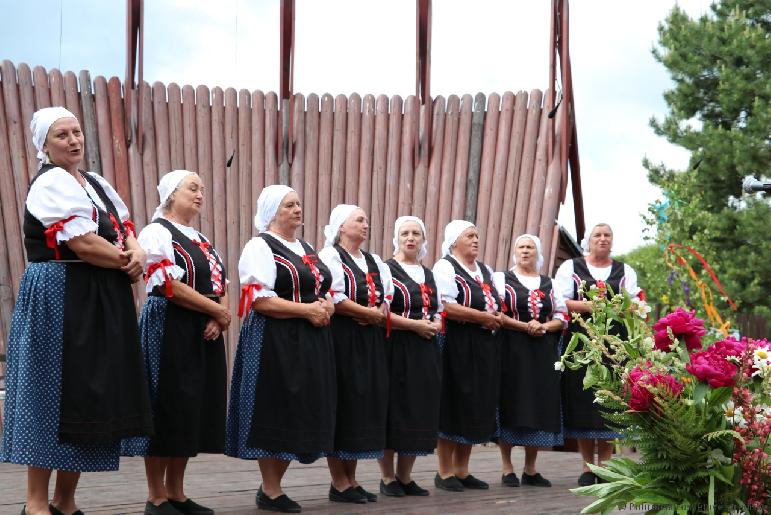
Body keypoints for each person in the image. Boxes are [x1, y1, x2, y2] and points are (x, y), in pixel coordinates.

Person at [0, 107, 153, 515]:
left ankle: (65, 501)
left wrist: (136, 252)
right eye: (62, 135)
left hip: (100, 293)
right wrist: (128, 262)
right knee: (49, 391)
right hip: (61, 292)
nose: (73, 140)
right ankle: (35, 504)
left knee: (90, 392)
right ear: (45, 146)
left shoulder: (95, 183)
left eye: (77, 132)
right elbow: (83, 243)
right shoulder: (51, 182)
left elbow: (124, 229)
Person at [121, 170, 231, 515]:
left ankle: (177, 493)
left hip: (201, 328)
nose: (200, 194)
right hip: (169, 325)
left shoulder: (201, 239)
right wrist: (216, 311)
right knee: (165, 406)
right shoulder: (157, 231)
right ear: (171, 194)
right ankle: (156, 497)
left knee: (189, 410)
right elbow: (166, 285)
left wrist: (218, 317)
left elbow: (221, 285)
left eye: (202, 189)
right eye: (192, 188)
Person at [225, 185, 337, 514]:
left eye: (298, 204)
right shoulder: (260, 246)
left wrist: (327, 305)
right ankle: (271, 490)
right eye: (289, 205)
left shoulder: (306, 248)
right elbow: (259, 300)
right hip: (276, 337)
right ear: (272, 212)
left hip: (310, 338)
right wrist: (308, 311)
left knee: (300, 408)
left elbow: (321, 288)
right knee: (276, 406)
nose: (297, 209)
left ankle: (272, 487)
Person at [554, 222, 641, 487]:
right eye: (597, 235)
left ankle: (604, 466)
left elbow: (634, 304)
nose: (603, 239)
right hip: (581, 342)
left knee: (610, 400)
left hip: (614, 344)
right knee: (583, 399)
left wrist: (614, 308)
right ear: (588, 241)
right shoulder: (570, 267)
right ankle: (586, 466)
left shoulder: (625, 270)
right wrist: (592, 306)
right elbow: (560, 301)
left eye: (607, 235)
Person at [319, 204, 392, 505]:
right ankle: (338, 482)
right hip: (343, 338)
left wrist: (378, 313)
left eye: (366, 220)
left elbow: (387, 297)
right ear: (341, 226)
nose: (365, 224)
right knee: (344, 403)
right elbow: (333, 297)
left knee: (362, 406)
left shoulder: (375, 262)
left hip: (370, 339)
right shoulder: (331, 256)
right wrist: (367, 313)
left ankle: (352, 479)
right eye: (359, 220)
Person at [432, 220, 502, 492]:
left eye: (476, 236)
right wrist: (482, 317)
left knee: (475, 403)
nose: (475, 240)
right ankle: (444, 471)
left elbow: (495, 303)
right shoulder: (446, 266)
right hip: (458, 342)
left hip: (483, 344)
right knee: (454, 402)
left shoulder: (485, 270)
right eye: (469, 236)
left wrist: (495, 317)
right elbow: (446, 306)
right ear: (454, 242)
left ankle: (462, 469)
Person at [493, 234, 567, 488]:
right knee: (510, 399)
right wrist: (526, 326)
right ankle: (507, 467)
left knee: (538, 402)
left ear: (538, 253)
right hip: (510, 348)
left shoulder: (550, 283)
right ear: (515, 252)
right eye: (521, 247)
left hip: (542, 349)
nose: (525, 251)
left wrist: (543, 326)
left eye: (530, 247)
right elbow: (496, 313)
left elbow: (561, 317)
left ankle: (531, 468)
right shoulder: (501, 279)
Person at [377, 216, 442, 498]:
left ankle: (405, 476)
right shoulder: (386, 269)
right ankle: (387, 477)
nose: (410, 238)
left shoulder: (429, 274)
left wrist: (434, 324)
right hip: (395, 346)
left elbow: (438, 311)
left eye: (416, 233)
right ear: (396, 238)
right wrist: (416, 325)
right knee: (394, 407)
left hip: (425, 348)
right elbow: (381, 313)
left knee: (418, 408)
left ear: (424, 239)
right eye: (405, 233)